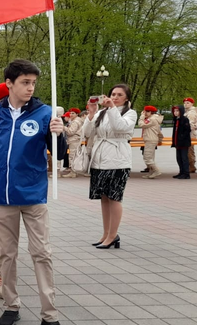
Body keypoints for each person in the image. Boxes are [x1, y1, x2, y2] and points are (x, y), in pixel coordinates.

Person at [0, 59, 68, 325]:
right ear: (9, 83)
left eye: (33, 83)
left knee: (41, 253)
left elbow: (59, 155)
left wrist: (61, 135)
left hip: (33, 195)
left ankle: (50, 316)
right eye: (24, 82)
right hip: (2, 195)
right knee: (7, 254)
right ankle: (11, 305)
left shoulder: (44, 114)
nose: (30, 88)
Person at [82, 84, 137, 249]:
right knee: (104, 198)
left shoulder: (130, 113)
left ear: (126, 98)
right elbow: (87, 132)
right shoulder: (102, 112)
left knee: (114, 197)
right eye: (113, 94)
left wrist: (112, 108)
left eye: (119, 95)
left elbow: (120, 127)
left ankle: (113, 235)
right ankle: (106, 233)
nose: (115, 97)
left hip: (118, 159)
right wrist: (91, 114)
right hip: (100, 159)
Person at [138, 106, 163, 178]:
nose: (145, 113)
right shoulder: (153, 118)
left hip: (150, 140)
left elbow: (141, 125)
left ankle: (157, 171)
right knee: (150, 158)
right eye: (145, 111)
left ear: (152, 112)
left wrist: (142, 116)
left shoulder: (152, 119)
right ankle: (151, 173)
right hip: (151, 139)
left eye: (147, 111)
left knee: (147, 158)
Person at [62, 108, 84, 178]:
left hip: (74, 139)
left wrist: (64, 128)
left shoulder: (75, 122)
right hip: (76, 139)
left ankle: (73, 172)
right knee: (74, 156)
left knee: (72, 156)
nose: (71, 115)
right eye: (70, 113)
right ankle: (74, 171)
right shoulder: (77, 120)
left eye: (73, 113)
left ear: (77, 114)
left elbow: (71, 132)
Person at [171, 105, 192, 179]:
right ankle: (181, 172)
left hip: (183, 143)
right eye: (174, 111)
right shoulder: (176, 119)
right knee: (179, 158)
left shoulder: (184, 119)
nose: (175, 112)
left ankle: (186, 173)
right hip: (177, 143)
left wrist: (181, 137)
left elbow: (187, 130)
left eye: (177, 111)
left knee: (184, 158)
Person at [183, 98, 197, 173]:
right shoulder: (187, 112)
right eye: (185, 103)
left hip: (190, 133)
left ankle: (192, 166)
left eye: (188, 103)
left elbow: (190, 124)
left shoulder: (191, 112)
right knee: (187, 150)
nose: (186, 104)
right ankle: (190, 165)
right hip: (186, 133)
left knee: (189, 150)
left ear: (192, 104)